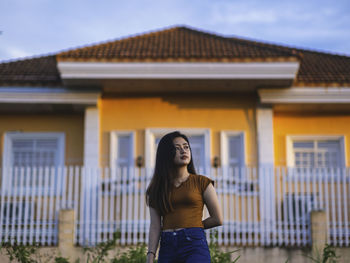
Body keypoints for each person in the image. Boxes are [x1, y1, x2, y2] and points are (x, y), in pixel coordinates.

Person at [146, 131, 223, 263]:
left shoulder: (202, 182)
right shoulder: (156, 189)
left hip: (194, 245)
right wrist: (150, 256)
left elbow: (217, 219)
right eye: (177, 148)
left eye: (186, 147)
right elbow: (155, 226)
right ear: (166, 154)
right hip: (167, 247)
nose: (183, 150)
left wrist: (193, 227)